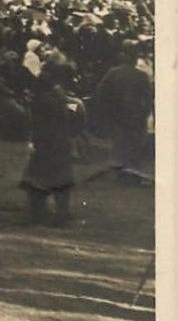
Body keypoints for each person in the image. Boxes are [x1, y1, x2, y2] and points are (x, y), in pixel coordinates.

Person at [21, 61, 83, 226]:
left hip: (45, 143)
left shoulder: (40, 100)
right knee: (61, 179)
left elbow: (35, 124)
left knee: (37, 179)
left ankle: (39, 214)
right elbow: (73, 116)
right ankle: (61, 213)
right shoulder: (59, 97)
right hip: (59, 143)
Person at [93, 42, 154, 186]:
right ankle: (133, 177)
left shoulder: (113, 73)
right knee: (134, 146)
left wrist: (108, 111)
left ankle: (121, 176)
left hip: (117, 115)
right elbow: (148, 97)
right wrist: (145, 113)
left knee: (120, 145)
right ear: (134, 59)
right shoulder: (141, 76)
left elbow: (101, 93)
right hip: (136, 116)